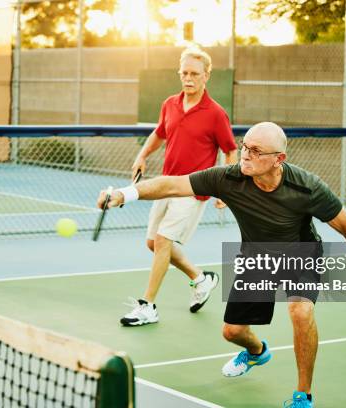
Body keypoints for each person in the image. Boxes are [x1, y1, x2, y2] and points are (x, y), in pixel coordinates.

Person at [98, 122, 346, 407]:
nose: (246, 154)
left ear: (278, 158)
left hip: (301, 253)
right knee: (231, 332)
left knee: (300, 310)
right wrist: (125, 194)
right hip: (256, 256)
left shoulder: (308, 187)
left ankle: (303, 395)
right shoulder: (229, 178)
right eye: (245, 146)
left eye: (256, 151)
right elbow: (172, 185)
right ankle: (257, 352)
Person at [121, 47, 238, 327]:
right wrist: (142, 155)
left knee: (163, 241)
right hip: (165, 184)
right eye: (184, 73)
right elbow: (160, 132)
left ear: (206, 76)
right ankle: (201, 278)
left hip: (193, 189)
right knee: (153, 243)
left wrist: (224, 189)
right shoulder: (170, 103)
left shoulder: (216, 114)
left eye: (194, 74)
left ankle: (147, 306)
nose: (188, 78)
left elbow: (230, 151)